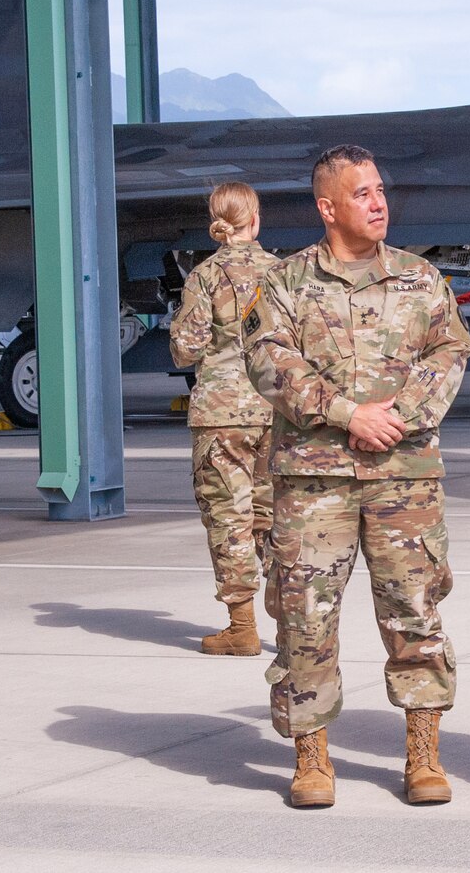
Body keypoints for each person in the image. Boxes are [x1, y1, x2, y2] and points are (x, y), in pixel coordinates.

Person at [244, 144, 470, 809]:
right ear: (328, 207)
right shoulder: (286, 283)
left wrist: (396, 417)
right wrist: (349, 414)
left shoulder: (420, 278)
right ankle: (312, 757)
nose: (378, 203)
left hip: (403, 476)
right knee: (305, 616)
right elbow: (270, 363)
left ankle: (423, 754)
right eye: (362, 193)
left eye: (379, 190)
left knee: (415, 611)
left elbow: (449, 350)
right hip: (314, 482)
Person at [168, 181, 279, 657]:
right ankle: (298, 627)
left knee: (228, 519)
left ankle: (242, 627)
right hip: (277, 413)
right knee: (276, 519)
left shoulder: (204, 276)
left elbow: (184, 350)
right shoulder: (284, 273)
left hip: (221, 416)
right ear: (254, 219)